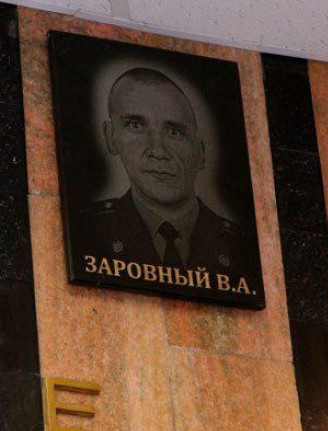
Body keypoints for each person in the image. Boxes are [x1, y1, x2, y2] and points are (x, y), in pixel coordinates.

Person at [78, 67, 256, 279]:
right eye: (136, 126)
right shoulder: (84, 232)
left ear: (200, 152)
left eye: (174, 132)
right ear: (111, 137)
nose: (158, 152)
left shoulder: (243, 247)